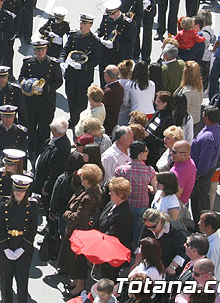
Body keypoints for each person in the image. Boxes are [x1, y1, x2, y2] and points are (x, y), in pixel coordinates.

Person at [57, 164, 102, 296]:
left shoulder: (89, 197)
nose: (80, 177)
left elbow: (79, 216)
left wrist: (65, 214)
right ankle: (76, 281)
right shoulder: (88, 189)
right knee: (74, 259)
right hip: (78, 231)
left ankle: (80, 285)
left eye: (82, 176)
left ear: (87, 179)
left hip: (80, 232)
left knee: (78, 260)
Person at [0, 174, 37, 303]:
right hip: (6, 248)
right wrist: (5, 248)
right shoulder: (4, 205)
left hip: (23, 250)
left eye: (22, 190)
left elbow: (32, 231)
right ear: (12, 190)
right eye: (16, 190)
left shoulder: (31, 207)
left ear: (26, 191)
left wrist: (22, 249)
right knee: (5, 283)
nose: (19, 193)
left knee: (22, 283)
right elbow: (0, 228)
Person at [18, 39, 62, 157]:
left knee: (43, 129)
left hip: (46, 102)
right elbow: (21, 78)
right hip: (30, 102)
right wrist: (28, 85)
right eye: (37, 50)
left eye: (42, 49)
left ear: (46, 49)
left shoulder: (53, 64)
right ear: (34, 51)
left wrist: (45, 88)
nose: (40, 52)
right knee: (30, 127)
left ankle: (41, 150)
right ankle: (30, 149)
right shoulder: (28, 62)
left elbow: (58, 81)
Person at [60, 14, 102, 129]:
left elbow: (96, 59)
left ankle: (80, 121)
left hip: (84, 75)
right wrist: (62, 62)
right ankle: (73, 119)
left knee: (81, 101)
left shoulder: (94, 41)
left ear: (90, 25)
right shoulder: (73, 36)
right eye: (81, 23)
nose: (82, 26)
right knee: (71, 97)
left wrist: (83, 67)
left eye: (85, 24)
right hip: (71, 74)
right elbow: (65, 50)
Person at [115, 140, 156, 248]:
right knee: (139, 230)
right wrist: (145, 187)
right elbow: (155, 189)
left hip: (126, 204)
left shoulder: (121, 170)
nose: (148, 153)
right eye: (146, 151)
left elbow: (118, 187)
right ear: (140, 154)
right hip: (142, 205)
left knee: (125, 229)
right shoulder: (149, 171)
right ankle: (135, 249)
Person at [190, 106, 220, 222]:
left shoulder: (208, 137)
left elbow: (205, 159)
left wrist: (199, 174)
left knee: (198, 200)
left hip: (203, 173)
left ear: (207, 118)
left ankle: (199, 226)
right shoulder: (218, 129)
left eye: (204, 114)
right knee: (203, 197)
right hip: (209, 169)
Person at [96, 176, 132, 281]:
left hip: (113, 254)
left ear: (120, 195)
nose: (109, 193)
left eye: (112, 191)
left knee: (109, 277)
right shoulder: (111, 204)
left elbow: (115, 235)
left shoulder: (123, 214)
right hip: (105, 249)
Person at [134, 209, 186, 278]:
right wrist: (136, 264)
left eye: (153, 227)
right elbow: (140, 245)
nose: (151, 229)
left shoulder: (175, 230)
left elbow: (183, 250)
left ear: (160, 220)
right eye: (148, 227)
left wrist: (173, 266)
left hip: (171, 267)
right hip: (153, 265)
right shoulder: (147, 227)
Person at [145, 91, 175, 166]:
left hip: (154, 155)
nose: (155, 102)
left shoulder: (169, 120)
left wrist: (149, 136)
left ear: (165, 104)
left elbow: (164, 143)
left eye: (158, 101)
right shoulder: (157, 113)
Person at [198, 210, 220, 279]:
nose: (198, 223)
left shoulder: (212, 248)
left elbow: (209, 271)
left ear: (209, 227)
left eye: (201, 222)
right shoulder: (215, 236)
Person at [101, 65, 123, 135]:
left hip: (106, 123)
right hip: (114, 120)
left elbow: (99, 104)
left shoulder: (108, 91)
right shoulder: (120, 87)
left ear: (107, 75)